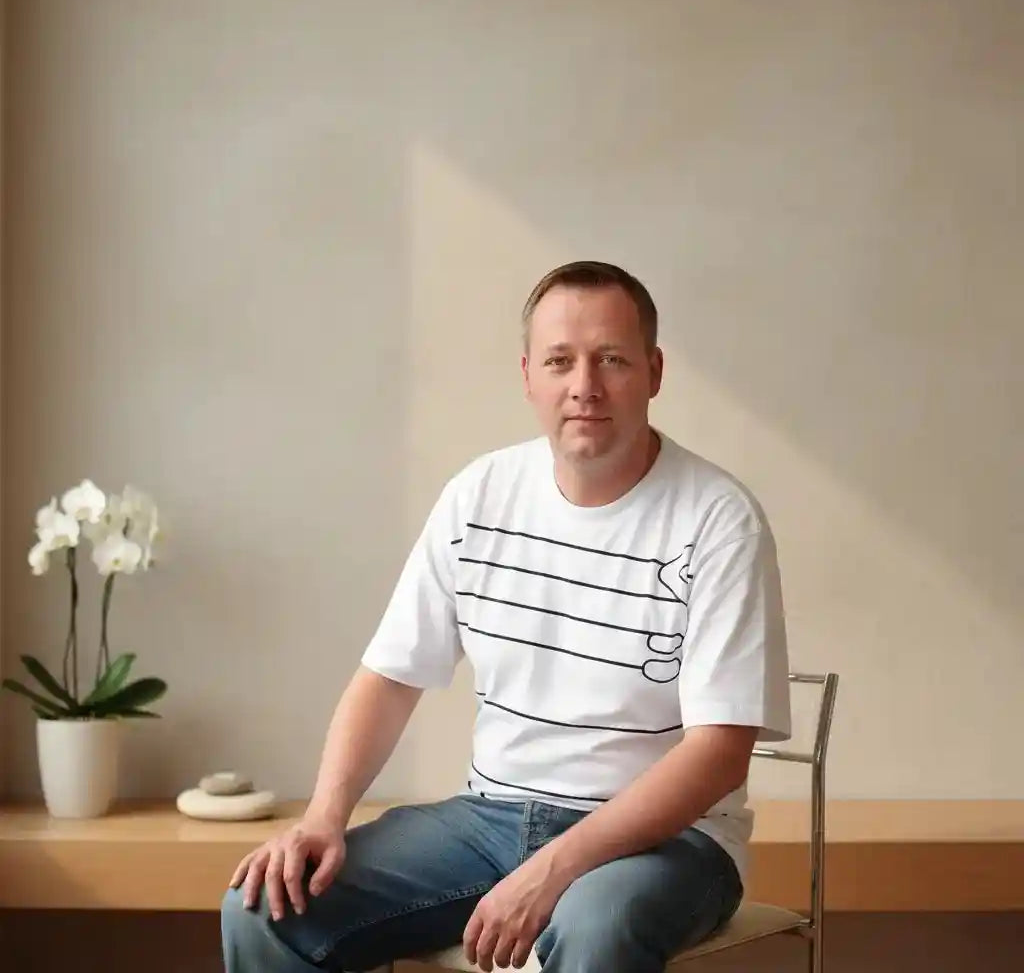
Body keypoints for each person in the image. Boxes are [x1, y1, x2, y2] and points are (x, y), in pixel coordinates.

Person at [221, 260, 791, 973]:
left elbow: (718, 754)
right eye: (561, 361)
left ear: (654, 370)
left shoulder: (717, 519)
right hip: (489, 820)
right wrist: (321, 819)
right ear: (529, 376)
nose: (584, 385)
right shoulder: (480, 495)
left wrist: (552, 871)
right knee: (267, 907)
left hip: (668, 845)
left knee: (592, 924)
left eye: (611, 359)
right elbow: (389, 679)